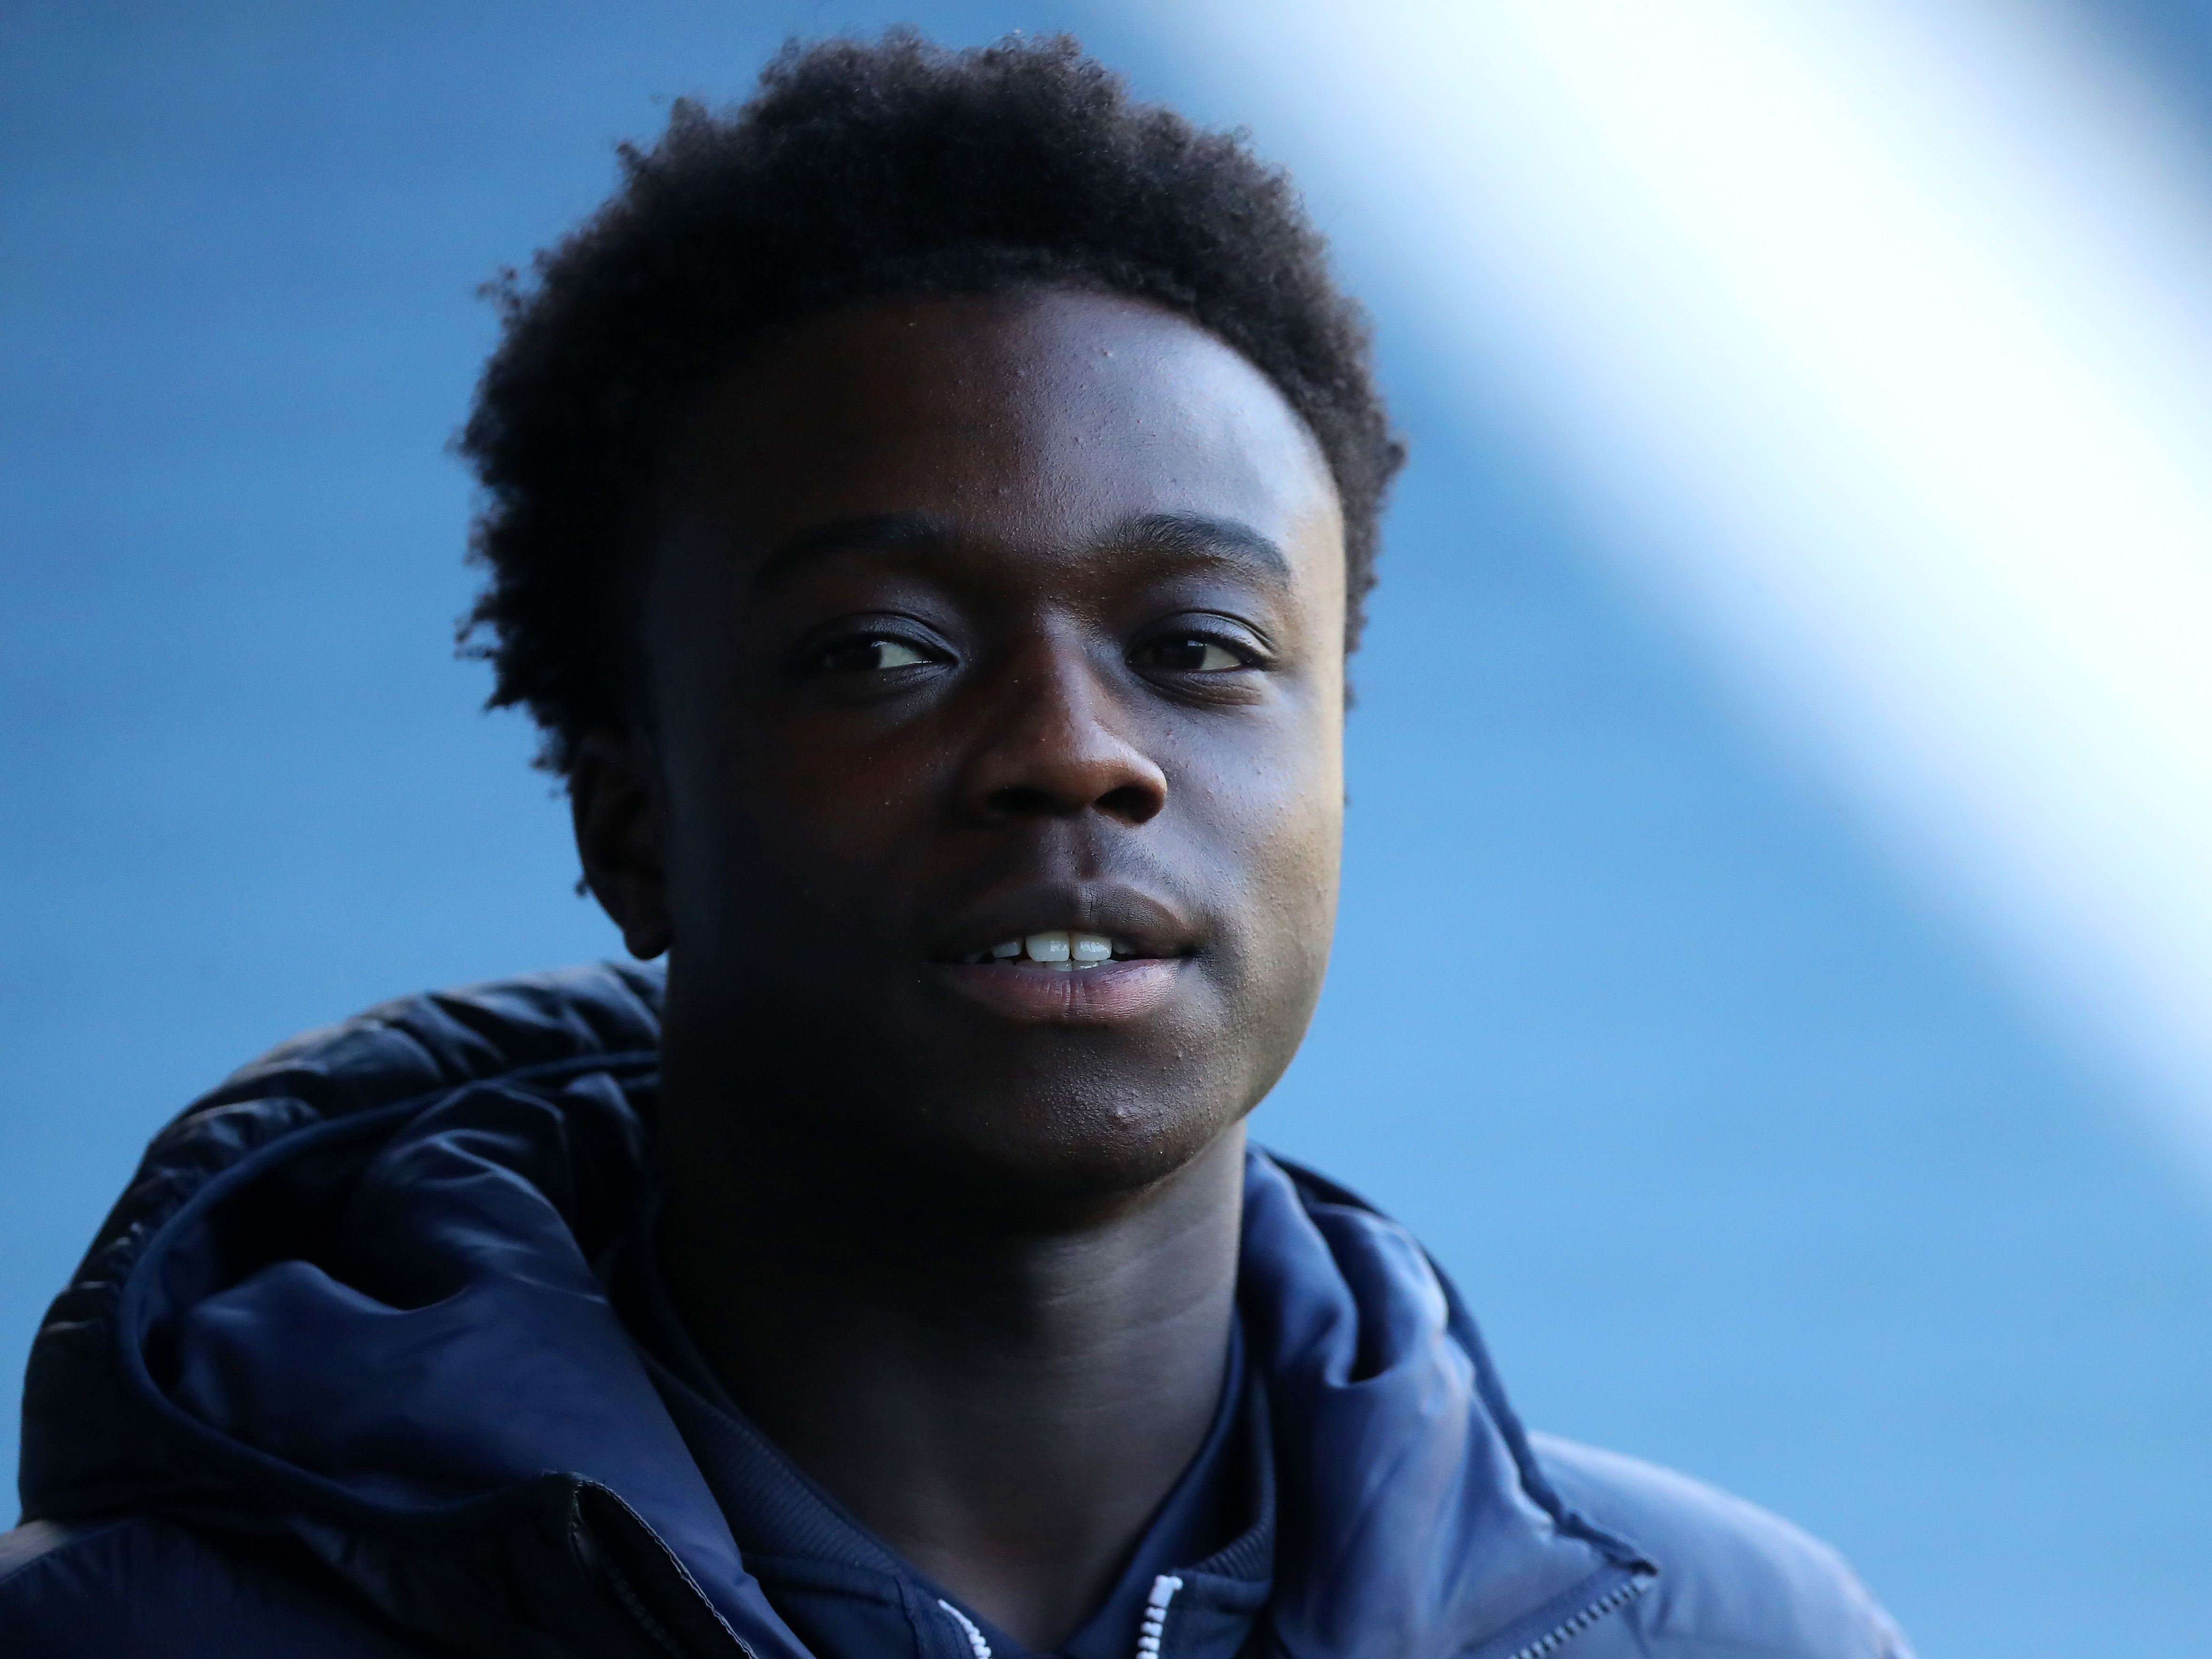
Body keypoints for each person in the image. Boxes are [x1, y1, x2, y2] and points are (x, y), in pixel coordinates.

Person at [0, 32, 1911, 1659]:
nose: (1075, 755)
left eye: (1199, 650)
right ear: (630, 817)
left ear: (1337, 765)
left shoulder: (1728, 1635)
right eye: (883, 652)